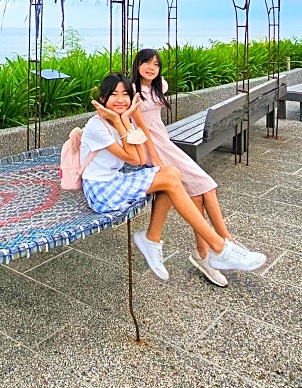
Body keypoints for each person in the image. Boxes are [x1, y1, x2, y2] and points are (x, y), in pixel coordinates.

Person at [81, 72, 266, 281]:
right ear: (103, 99)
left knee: (173, 173)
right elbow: (132, 159)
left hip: (114, 181)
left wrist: (123, 121)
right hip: (100, 189)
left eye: (125, 94)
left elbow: (141, 158)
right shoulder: (97, 125)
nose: (121, 100)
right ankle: (219, 247)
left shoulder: (122, 122)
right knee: (170, 178)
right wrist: (119, 119)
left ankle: (153, 238)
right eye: (114, 95)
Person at [127, 48, 245, 287]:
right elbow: (139, 127)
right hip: (152, 146)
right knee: (206, 186)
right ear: (137, 64)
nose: (151, 68)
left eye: (156, 64)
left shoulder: (161, 85)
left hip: (164, 141)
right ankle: (225, 243)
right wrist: (155, 158)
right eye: (146, 63)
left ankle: (204, 254)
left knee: (200, 194)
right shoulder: (131, 91)